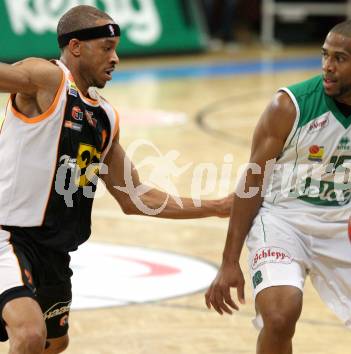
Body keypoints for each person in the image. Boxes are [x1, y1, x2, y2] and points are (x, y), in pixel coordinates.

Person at [0, 5, 231, 354]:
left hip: (53, 249)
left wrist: (218, 207)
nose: (116, 58)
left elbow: (137, 198)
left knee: (54, 343)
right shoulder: (48, 78)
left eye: (117, 48)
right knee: (29, 333)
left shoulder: (104, 116)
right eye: (107, 48)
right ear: (76, 47)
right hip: (8, 235)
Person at [205, 19, 351, 354]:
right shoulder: (289, 105)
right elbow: (251, 184)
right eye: (325, 55)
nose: (327, 66)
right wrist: (229, 261)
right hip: (284, 220)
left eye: (340, 58)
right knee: (280, 315)